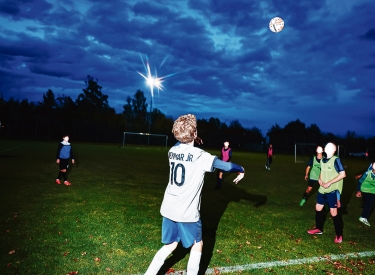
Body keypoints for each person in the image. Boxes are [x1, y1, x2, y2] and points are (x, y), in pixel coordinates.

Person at [144, 114, 245, 275]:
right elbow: (224, 166)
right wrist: (241, 169)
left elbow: (182, 145)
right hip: (187, 212)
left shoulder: (172, 151)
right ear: (195, 133)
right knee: (197, 244)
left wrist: (192, 139)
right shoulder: (200, 156)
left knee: (170, 245)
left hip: (168, 209)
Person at [307, 142, 346, 243]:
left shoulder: (336, 160)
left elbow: (343, 174)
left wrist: (329, 183)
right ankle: (319, 229)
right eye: (326, 146)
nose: (327, 148)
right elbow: (322, 172)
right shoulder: (323, 160)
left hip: (332, 190)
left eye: (330, 147)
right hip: (322, 189)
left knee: (334, 213)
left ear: (334, 150)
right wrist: (319, 179)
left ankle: (339, 235)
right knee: (318, 207)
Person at [355, 162, 375, 226]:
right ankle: (363, 217)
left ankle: (364, 204)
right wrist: (358, 191)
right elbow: (360, 181)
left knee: (370, 201)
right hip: (365, 188)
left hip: (373, 189)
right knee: (370, 200)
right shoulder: (367, 173)